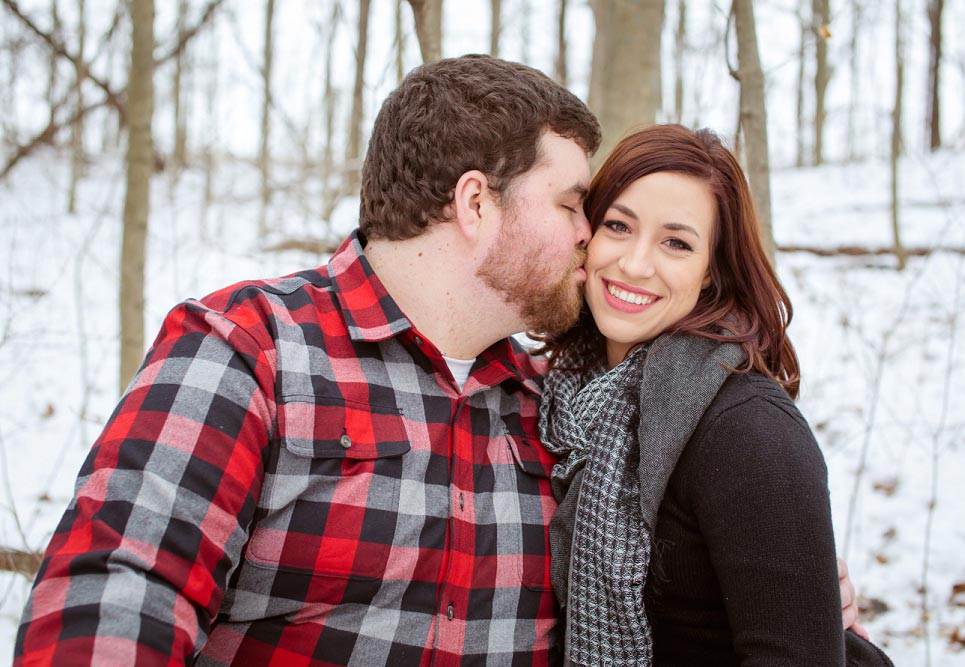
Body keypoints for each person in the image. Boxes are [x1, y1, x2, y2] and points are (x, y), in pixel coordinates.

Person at [15, 57, 860, 666]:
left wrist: (804, 597)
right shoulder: (251, 352)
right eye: (575, 205)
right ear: (475, 202)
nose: (588, 240)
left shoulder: (550, 413)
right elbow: (118, 591)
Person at [537, 124, 892, 666]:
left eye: (676, 243)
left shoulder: (748, 429)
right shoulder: (558, 398)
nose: (635, 264)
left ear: (710, 273)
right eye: (618, 226)